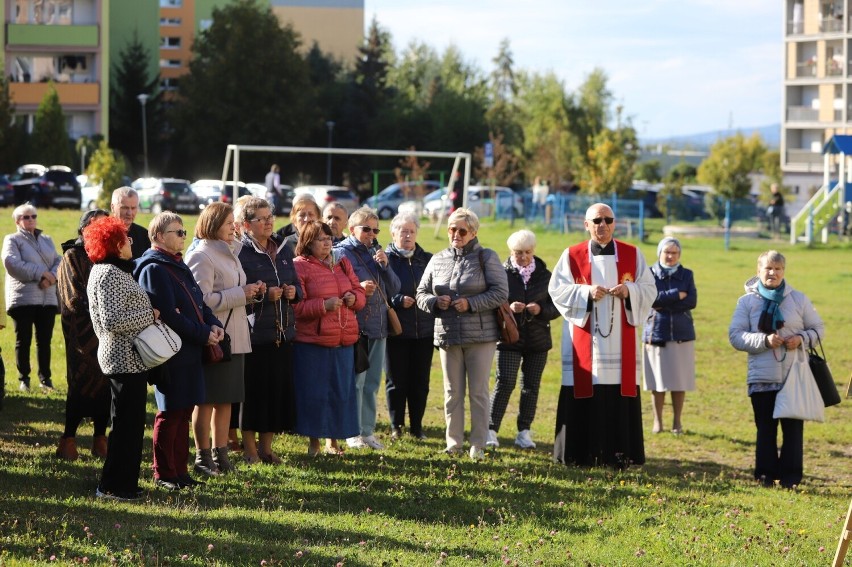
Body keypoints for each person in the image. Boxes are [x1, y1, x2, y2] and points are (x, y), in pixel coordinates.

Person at [548, 203, 657, 468]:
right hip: (585, 336)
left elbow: (650, 289)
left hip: (621, 337)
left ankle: (620, 454)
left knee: (619, 390)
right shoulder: (572, 255)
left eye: (608, 220)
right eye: (596, 220)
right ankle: (577, 454)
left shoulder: (633, 254)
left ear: (614, 223)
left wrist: (629, 291)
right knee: (585, 388)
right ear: (586, 225)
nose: (603, 225)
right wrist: (586, 293)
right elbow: (557, 290)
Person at [136, 212, 223, 490]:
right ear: (160, 236)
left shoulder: (176, 263)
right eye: (178, 232)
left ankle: (180, 472)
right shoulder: (154, 268)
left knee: (184, 411)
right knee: (170, 412)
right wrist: (203, 334)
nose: (184, 236)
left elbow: (198, 304)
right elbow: (169, 316)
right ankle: (163, 473)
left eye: (184, 232)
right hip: (170, 352)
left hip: (191, 349)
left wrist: (214, 324)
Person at [416, 208, 508, 460]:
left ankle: (478, 444)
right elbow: (421, 294)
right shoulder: (438, 258)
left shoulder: (487, 257)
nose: (455, 234)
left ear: (473, 232)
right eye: (451, 229)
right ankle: (453, 442)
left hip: (481, 336)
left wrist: (471, 303)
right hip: (447, 334)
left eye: (461, 230)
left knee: (478, 391)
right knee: (451, 392)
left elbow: (501, 292)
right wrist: (436, 302)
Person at [729, 250, 825, 488]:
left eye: (778, 268)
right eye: (768, 268)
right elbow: (736, 336)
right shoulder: (746, 302)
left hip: (795, 377)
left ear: (784, 271)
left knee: (793, 431)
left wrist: (801, 339)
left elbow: (818, 329)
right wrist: (763, 341)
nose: (773, 273)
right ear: (758, 271)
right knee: (765, 429)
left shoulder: (798, 299)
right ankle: (765, 476)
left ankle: (791, 478)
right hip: (761, 376)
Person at [84, 216, 156, 501]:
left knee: (131, 423)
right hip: (122, 357)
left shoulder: (116, 271)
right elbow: (113, 320)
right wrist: (150, 315)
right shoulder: (108, 274)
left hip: (130, 357)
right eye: (126, 239)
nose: (131, 242)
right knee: (125, 424)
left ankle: (125, 482)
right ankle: (112, 486)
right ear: (114, 244)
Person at [186, 202, 262, 475]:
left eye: (234, 223)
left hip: (237, 335)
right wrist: (241, 293)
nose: (235, 227)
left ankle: (222, 456)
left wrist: (251, 291)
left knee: (227, 399)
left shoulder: (231, 252)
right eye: (229, 223)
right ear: (213, 224)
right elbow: (200, 301)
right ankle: (202, 456)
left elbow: (234, 289)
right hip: (215, 337)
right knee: (206, 400)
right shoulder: (201, 256)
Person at [236, 197, 301, 464]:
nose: (268, 222)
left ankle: (267, 448)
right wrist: (264, 296)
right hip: (254, 336)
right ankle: (250, 450)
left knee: (275, 393)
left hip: (283, 333)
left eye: (270, 216)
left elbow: (297, 286)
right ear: (246, 224)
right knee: (253, 395)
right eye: (261, 218)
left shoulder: (284, 249)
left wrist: (292, 292)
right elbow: (237, 293)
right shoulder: (239, 252)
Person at [292, 221, 366, 456]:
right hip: (314, 342)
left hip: (344, 339)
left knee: (339, 392)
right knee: (315, 393)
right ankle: (313, 442)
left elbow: (360, 292)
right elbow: (296, 307)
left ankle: (333, 442)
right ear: (308, 243)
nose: (327, 243)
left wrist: (354, 298)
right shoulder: (299, 267)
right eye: (321, 239)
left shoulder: (342, 262)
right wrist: (322, 306)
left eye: (329, 238)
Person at [487, 229, 559, 450]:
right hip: (509, 338)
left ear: (533, 250)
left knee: (531, 387)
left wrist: (540, 309)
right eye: (518, 253)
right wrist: (508, 307)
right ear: (511, 252)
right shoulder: (500, 272)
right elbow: (491, 302)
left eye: (527, 252)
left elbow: (556, 306)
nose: (523, 257)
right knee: (505, 382)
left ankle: (524, 432)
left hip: (538, 341)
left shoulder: (546, 276)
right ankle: (490, 429)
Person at [336, 207, 401, 450]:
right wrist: (358, 287)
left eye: (375, 230)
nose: (372, 234)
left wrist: (385, 266)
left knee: (372, 382)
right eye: (367, 229)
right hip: (356, 326)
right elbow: (336, 287)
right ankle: (351, 432)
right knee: (356, 382)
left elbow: (394, 288)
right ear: (352, 229)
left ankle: (367, 431)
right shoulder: (341, 253)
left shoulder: (378, 251)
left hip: (380, 326)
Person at [55, 209, 111, 461]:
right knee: (79, 384)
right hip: (82, 334)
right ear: (84, 229)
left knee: (106, 386)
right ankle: (68, 438)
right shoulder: (72, 255)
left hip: (106, 332)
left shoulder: (107, 257)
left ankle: (100, 437)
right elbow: (72, 299)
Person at [385, 212, 435, 441]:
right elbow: (379, 290)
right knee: (397, 381)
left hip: (424, 330)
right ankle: (396, 426)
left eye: (411, 231)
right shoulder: (385, 259)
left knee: (420, 382)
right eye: (403, 231)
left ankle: (417, 427)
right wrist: (397, 300)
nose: (407, 235)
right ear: (393, 233)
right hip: (396, 330)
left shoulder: (428, 259)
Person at [2, 203, 61, 392]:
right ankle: (24, 379)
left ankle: (46, 380)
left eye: (33, 216)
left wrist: (51, 278)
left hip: (48, 298)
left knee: (45, 341)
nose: (31, 220)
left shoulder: (47, 239)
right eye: (26, 217)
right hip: (23, 299)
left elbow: (59, 261)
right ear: (17, 220)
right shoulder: (12, 239)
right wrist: (42, 274)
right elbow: (11, 263)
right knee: (23, 340)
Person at [643, 237, 697, 435]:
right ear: (659, 253)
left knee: (679, 381)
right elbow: (651, 299)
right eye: (667, 252)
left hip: (682, 333)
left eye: (674, 253)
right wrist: (676, 294)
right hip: (656, 332)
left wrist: (663, 301)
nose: (670, 256)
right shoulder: (649, 274)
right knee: (657, 381)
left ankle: (677, 422)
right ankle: (658, 421)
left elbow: (691, 300)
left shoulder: (687, 274)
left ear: (679, 254)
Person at [111, 187, 151, 259]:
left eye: (133, 208)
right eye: (125, 208)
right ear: (112, 207)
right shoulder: (103, 235)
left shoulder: (145, 235)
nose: (129, 213)